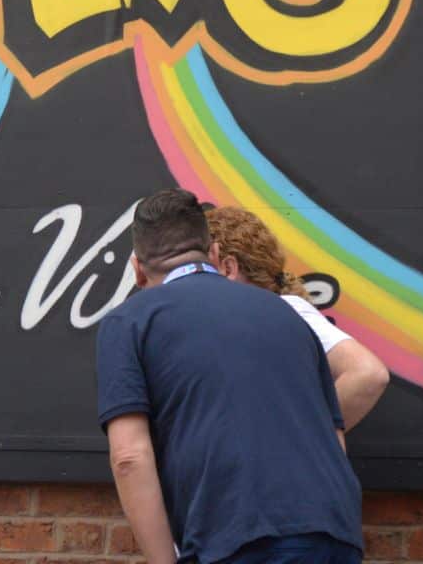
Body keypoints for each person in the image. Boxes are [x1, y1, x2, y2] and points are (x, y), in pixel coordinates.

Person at [97, 188, 363, 564]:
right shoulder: (289, 314)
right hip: (333, 533)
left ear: (137, 269)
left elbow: (129, 457)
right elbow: (331, 435)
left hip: (235, 537)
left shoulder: (130, 321)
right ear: (214, 254)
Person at [205, 206, 390, 430]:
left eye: (203, 266)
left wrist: (303, 438)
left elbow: (368, 373)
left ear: (227, 267)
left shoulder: (289, 308)